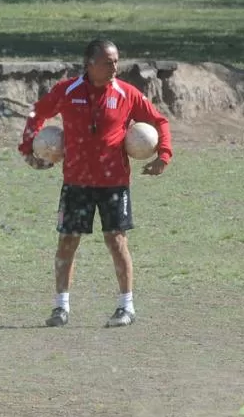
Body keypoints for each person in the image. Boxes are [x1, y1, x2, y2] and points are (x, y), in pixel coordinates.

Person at [19, 39, 172, 328]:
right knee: (67, 241)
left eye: (116, 61)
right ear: (90, 64)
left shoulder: (126, 93)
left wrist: (163, 154)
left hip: (114, 184)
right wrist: (27, 148)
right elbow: (36, 113)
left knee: (116, 241)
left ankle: (126, 306)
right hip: (76, 182)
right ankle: (60, 307)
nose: (115, 66)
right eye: (108, 62)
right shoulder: (67, 91)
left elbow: (159, 121)